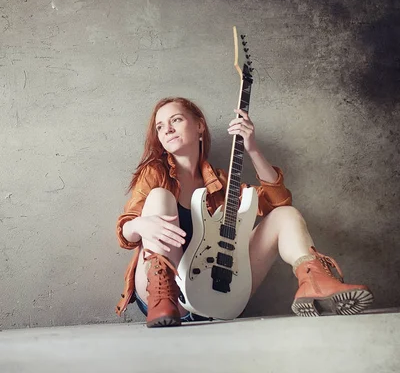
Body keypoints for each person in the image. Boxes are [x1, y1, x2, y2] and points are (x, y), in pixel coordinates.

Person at [114, 97, 373, 327]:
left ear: (199, 126)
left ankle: (313, 279)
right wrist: (140, 226)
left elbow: (277, 202)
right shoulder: (154, 172)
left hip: (216, 293)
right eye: (160, 126)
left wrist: (251, 147)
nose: (167, 129)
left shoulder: (222, 182)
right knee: (160, 196)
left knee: (286, 215)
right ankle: (165, 298)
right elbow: (126, 230)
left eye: (176, 119)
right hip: (168, 300)